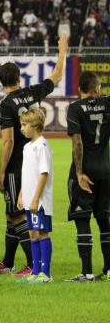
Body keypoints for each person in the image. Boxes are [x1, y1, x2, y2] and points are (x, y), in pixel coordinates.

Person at [0, 35, 67, 276]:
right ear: (19, 78)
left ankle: (33, 265)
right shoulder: (31, 93)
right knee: (10, 213)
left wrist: (2, 171)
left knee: (17, 214)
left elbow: (7, 140)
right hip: (31, 161)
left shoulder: (5, 104)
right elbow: (56, 77)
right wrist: (62, 52)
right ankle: (8, 261)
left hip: (17, 165)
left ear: (0, 81)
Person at [65, 71, 110, 281]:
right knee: (104, 220)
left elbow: (77, 142)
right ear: (97, 88)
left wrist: (80, 172)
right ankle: (109, 270)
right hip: (106, 170)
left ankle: (87, 273)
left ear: (79, 89)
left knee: (82, 219)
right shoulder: (107, 104)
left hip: (86, 171)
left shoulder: (74, 108)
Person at [16, 109, 54, 284]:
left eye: (24, 125)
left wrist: (35, 199)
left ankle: (46, 274)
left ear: (36, 126)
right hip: (29, 200)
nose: (21, 128)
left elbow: (43, 174)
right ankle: (36, 271)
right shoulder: (27, 146)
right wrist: (22, 195)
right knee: (32, 233)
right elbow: (27, 174)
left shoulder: (42, 145)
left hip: (39, 202)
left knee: (41, 233)